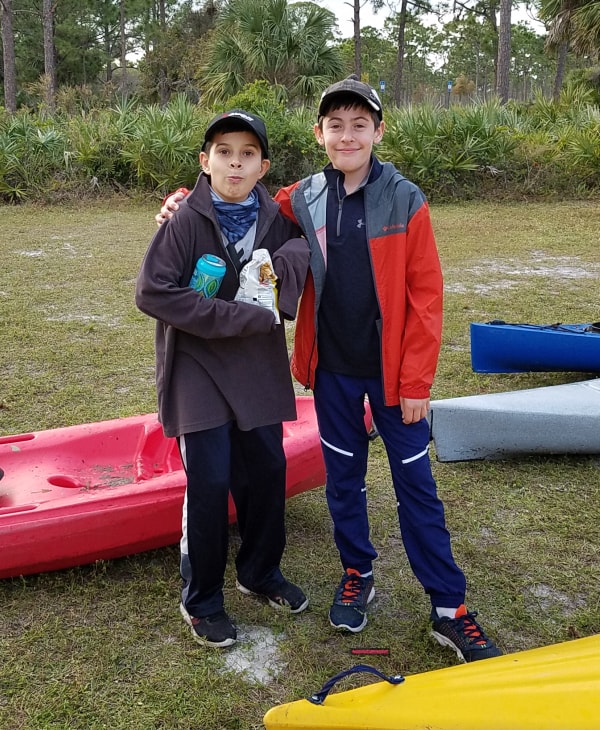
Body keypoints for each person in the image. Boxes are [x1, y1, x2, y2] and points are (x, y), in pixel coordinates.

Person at [156, 79, 502, 663]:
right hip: (332, 375)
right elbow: (234, 195)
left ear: (378, 132)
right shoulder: (305, 196)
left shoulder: (406, 199)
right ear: (319, 134)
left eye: (359, 125)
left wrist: (416, 383)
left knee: (417, 489)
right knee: (344, 482)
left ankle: (449, 608)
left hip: (393, 379)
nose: (347, 136)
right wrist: (178, 199)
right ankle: (356, 574)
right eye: (335, 126)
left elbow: (426, 297)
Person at [136, 109, 310, 649]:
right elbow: (153, 292)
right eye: (225, 152)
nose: (236, 164)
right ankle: (203, 599)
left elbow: (307, 248)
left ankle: (259, 572)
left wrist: (289, 266)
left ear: (264, 167)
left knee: (267, 470)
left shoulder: (279, 221)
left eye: (248, 154)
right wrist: (241, 317)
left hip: (256, 367)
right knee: (209, 481)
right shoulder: (186, 219)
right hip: (196, 367)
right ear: (205, 161)